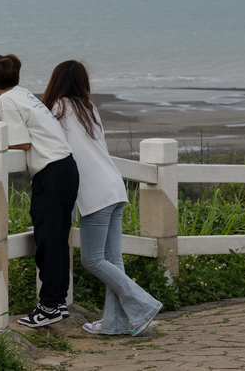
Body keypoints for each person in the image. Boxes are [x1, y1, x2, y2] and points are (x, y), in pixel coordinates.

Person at [42, 60, 162, 336]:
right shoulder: (90, 108)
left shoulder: (58, 108)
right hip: (114, 186)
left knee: (93, 260)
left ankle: (144, 305)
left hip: (96, 192)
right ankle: (115, 324)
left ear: (56, 81)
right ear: (82, 82)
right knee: (113, 259)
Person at [0, 54, 79, 328]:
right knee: (59, 238)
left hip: (50, 172)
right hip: (67, 167)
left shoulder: (6, 100)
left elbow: (20, 144)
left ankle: (48, 306)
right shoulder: (25, 94)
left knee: (48, 240)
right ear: (17, 77)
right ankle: (57, 302)